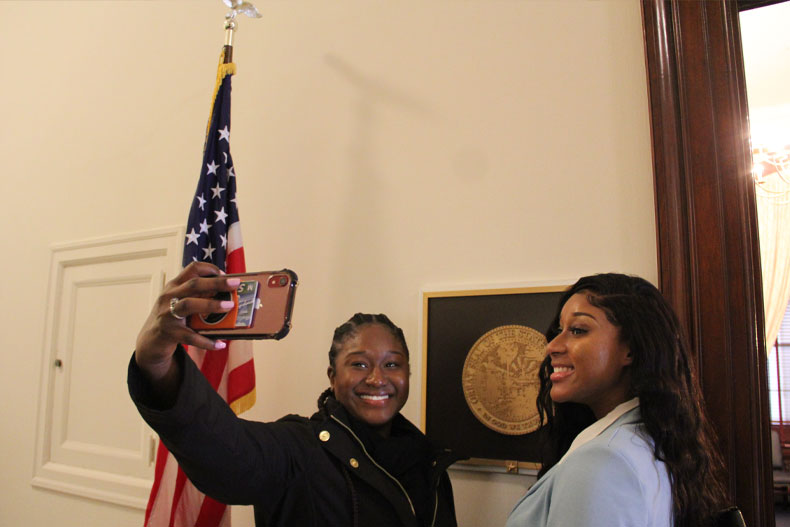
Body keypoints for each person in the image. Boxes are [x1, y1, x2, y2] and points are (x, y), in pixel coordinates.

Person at [128, 262, 460, 527]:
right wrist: (155, 358)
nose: (377, 378)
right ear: (332, 377)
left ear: (408, 375)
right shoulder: (296, 451)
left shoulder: (428, 460)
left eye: (392, 364)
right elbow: (225, 451)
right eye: (359, 364)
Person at [506, 273, 728, 527]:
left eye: (578, 330)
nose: (552, 346)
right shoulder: (648, 439)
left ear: (630, 350)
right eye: (560, 330)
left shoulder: (602, 462)